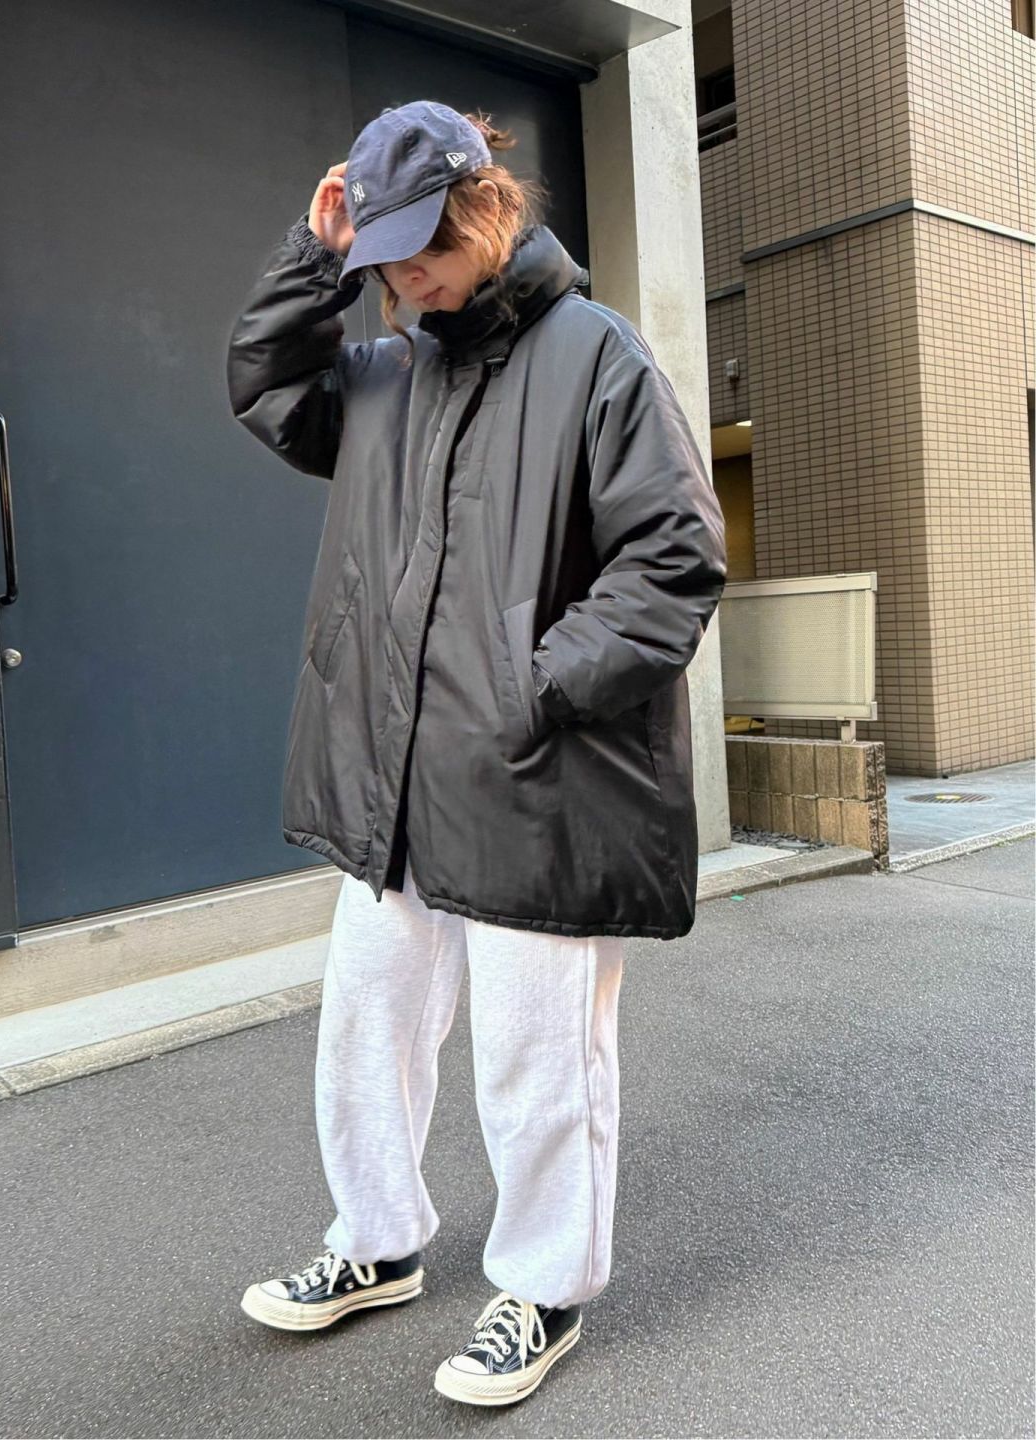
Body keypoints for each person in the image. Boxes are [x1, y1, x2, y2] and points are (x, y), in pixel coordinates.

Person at [227, 99, 726, 1408]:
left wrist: (532, 687)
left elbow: (675, 558)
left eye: (424, 252)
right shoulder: (390, 376)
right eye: (384, 263)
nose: (406, 283)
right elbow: (269, 391)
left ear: (485, 212)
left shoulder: (597, 356)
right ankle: (379, 1241)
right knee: (367, 1025)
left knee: (537, 1054)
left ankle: (547, 1288)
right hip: (395, 779)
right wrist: (315, 256)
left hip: (532, 772)